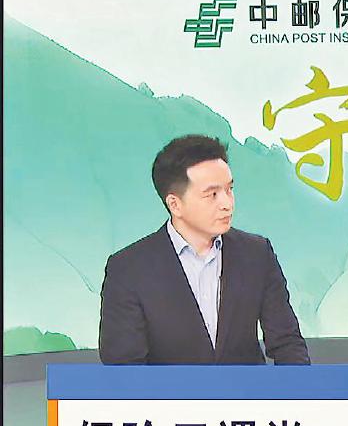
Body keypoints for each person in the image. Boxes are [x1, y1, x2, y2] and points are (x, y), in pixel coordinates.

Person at [99, 134, 309, 365]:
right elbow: (125, 366)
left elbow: (288, 344)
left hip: (245, 389)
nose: (227, 204)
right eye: (212, 195)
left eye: (229, 189)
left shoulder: (257, 254)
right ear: (175, 204)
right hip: (169, 390)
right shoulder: (129, 269)